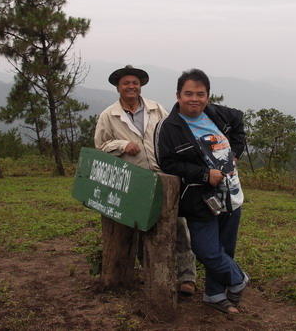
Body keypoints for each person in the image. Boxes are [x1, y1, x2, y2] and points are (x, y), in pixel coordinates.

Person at [94, 65, 197, 295]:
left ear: (140, 86)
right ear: (118, 88)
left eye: (135, 83)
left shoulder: (156, 109)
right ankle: (150, 273)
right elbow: (101, 146)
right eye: (126, 83)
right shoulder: (109, 115)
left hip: (164, 176)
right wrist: (122, 145)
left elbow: (173, 132)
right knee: (141, 227)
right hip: (135, 181)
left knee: (179, 225)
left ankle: (187, 277)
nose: (131, 87)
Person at [154, 68, 248, 314]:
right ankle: (238, 279)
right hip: (200, 199)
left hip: (231, 195)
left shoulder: (217, 114)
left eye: (200, 94)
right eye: (188, 94)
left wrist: (235, 154)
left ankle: (214, 294)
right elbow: (167, 163)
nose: (194, 99)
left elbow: (238, 122)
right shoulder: (169, 127)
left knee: (225, 248)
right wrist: (205, 174)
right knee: (206, 250)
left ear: (207, 95)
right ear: (178, 95)